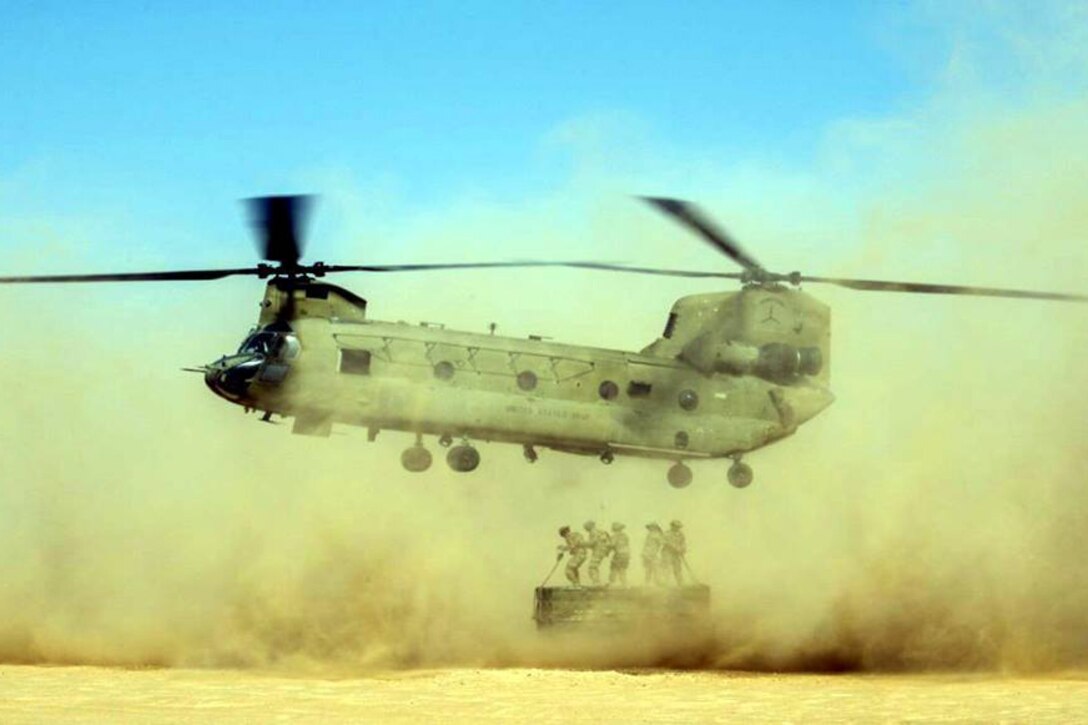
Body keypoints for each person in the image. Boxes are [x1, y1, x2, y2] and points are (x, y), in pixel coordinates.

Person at [584, 520, 611, 586]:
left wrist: (581, 544)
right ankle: (597, 582)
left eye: (586, 527)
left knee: (592, 567)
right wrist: (607, 551)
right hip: (602, 551)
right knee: (595, 567)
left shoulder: (593, 532)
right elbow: (609, 541)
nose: (585, 529)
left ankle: (596, 583)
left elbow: (592, 543)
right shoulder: (601, 531)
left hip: (598, 551)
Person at [661, 519, 687, 586]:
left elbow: (683, 543)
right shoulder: (667, 533)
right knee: (666, 568)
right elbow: (663, 542)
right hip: (667, 553)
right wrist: (672, 547)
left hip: (676, 554)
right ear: (672, 526)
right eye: (675, 526)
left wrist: (682, 550)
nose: (677, 528)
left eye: (678, 527)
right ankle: (665, 584)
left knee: (678, 569)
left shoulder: (681, 535)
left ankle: (680, 584)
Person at [608, 522, 630, 587]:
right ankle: (624, 583)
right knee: (622, 569)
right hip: (626, 554)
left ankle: (612, 583)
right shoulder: (625, 535)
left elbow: (612, 545)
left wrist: (606, 544)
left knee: (614, 568)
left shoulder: (615, 536)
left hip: (619, 554)